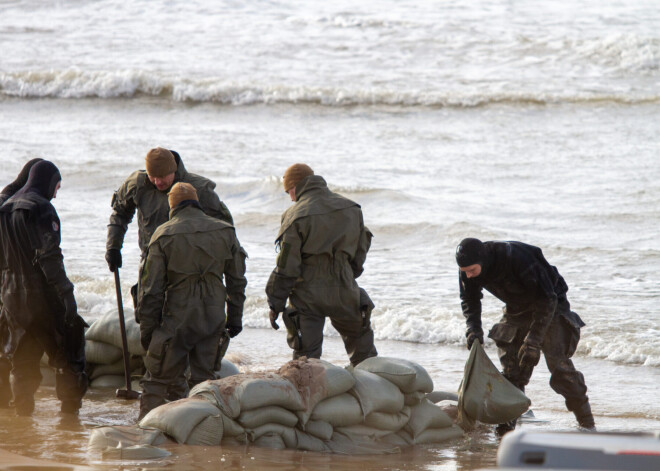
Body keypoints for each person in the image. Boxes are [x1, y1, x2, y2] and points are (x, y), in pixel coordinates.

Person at [455, 237, 595, 435]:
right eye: (465, 272)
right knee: (512, 369)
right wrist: (473, 329)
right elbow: (469, 299)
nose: (468, 276)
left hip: (551, 306)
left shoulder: (515, 257)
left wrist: (533, 340)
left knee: (559, 367)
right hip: (516, 308)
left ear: (483, 261)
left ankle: (587, 423)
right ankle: (507, 424)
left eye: (472, 271)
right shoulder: (468, 268)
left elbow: (547, 299)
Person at [136, 182, 247, 420]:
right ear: (197, 202)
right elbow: (237, 281)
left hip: (177, 318)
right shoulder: (225, 231)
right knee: (205, 382)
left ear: (172, 206)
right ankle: (204, 429)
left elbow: (151, 290)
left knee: (156, 380)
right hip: (213, 316)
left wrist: (149, 329)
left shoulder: (163, 234)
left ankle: (144, 431)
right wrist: (235, 317)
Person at [266, 164, 377, 366]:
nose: (290, 197)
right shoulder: (351, 208)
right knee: (364, 354)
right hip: (345, 288)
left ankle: (309, 395)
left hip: (308, 296)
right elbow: (360, 252)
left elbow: (286, 267)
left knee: (306, 361)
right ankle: (377, 391)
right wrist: (346, 275)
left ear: (294, 187)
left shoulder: (294, 215)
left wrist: (275, 302)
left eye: (287, 191)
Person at [0, 160, 88, 416]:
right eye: (56, 186)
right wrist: (67, 293)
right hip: (42, 296)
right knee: (68, 351)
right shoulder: (42, 209)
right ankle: (70, 418)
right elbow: (49, 256)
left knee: (23, 357)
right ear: (48, 182)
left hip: (12, 297)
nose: (56, 193)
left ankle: (23, 414)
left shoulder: (4, 208)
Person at [105, 147, 233, 284]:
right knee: (146, 303)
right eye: (152, 176)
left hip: (190, 268)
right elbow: (120, 214)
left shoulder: (199, 189)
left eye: (162, 176)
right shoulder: (137, 184)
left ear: (173, 170)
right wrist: (113, 246)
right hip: (150, 263)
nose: (157, 182)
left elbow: (224, 229)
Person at [0, 158, 44, 408]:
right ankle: (16, 408)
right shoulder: (10, 205)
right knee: (12, 349)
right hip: (8, 284)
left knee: (5, 348)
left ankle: (4, 405)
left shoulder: (8, 198)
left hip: (6, 282)